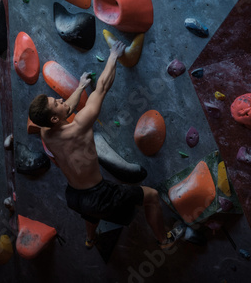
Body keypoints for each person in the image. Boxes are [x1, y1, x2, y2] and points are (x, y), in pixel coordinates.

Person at [29, 41, 183, 249]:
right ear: (54, 119)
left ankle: (90, 239)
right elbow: (102, 87)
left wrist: (81, 86)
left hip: (74, 196)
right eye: (55, 102)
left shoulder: (46, 131)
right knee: (152, 196)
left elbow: (67, 109)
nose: (59, 99)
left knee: (90, 213)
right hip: (98, 195)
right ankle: (164, 241)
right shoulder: (80, 126)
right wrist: (113, 56)